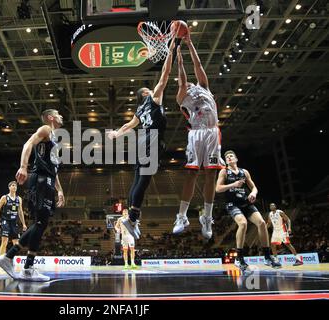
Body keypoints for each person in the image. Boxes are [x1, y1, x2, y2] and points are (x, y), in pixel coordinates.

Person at [107, 34, 176, 240]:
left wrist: (116, 133)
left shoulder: (139, 110)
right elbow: (164, 77)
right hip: (152, 141)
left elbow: (129, 125)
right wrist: (170, 52)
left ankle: (131, 217)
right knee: (144, 180)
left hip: (142, 143)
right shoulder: (153, 98)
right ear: (147, 93)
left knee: (138, 179)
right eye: (150, 89)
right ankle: (132, 217)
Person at [0, 109, 65, 281]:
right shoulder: (45, 129)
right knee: (40, 223)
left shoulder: (54, 139)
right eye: (58, 113)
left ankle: (22, 264)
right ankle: (14, 260)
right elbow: (27, 144)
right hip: (40, 180)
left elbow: (53, 169)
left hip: (47, 180)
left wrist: (60, 190)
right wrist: (23, 166)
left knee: (41, 224)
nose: (61, 116)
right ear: (50, 117)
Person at [172, 28, 225, 239]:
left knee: (210, 173)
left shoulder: (204, 87)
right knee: (192, 173)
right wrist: (179, 60)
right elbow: (183, 79)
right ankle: (182, 216)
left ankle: (207, 217)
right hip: (196, 134)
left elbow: (199, 66)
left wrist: (189, 43)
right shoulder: (182, 97)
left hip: (212, 132)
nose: (187, 84)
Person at [215, 150, 281, 272]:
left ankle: (267, 256)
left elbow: (254, 187)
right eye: (227, 157)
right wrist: (233, 184)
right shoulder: (224, 172)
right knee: (243, 223)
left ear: (236, 159)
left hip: (246, 202)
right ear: (226, 161)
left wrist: (253, 193)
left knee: (261, 223)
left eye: (231, 156)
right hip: (232, 204)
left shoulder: (244, 172)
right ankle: (239, 258)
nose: (229, 157)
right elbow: (218, 188)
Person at [0, 181, 27, 255]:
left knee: (16, 243)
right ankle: (2, 260)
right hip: (6, 222)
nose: (15, 187)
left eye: (15, 186)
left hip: (14, 222)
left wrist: (24, 224)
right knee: (4, 241)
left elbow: (20, 212)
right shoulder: (5, 197)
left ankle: (11, 259)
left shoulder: (19, 199)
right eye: (13, 185)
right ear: (9, 187)